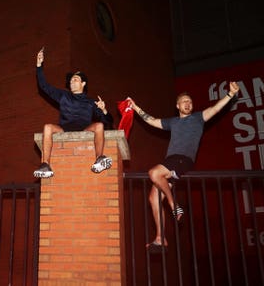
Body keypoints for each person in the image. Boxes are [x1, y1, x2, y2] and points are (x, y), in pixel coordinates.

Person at [128, 82, 238, 253]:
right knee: (153, 198)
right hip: (171, 162)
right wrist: (135, 107)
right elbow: (151, 121)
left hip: (183, 160)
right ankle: (160, 238)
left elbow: (216, 109)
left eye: (190, 102)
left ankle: (174, 206)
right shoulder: (173, 122)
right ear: (178, 106)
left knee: (154, 173)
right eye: (184, 101)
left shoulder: (198, 118)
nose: (188, 104)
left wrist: (230, 94)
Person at [34, 48, 114, 178]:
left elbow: (108, 122)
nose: (72, 82)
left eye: (75, 79)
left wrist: (104, 110)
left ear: (83, 83)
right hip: (64, 128)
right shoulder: (63, 96)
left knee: (99, 126)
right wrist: (39, 66)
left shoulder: (91, 102)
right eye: (71, 80)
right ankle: (45, 165)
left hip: (84, 129)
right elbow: (44, 86)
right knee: (47, 127)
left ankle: (99, 159)